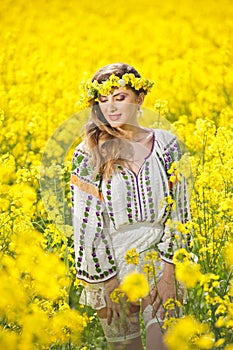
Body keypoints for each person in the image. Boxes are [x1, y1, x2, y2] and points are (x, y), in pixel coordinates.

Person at [70, 63, 190, 350]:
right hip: (111, 263)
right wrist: (108, 283)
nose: (110, 108)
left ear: (140, 98)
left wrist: (170, 272)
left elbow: (180, 212)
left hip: (160, 259)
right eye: (103, 100)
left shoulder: (167, 145)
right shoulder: (87, 153)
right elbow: (86, 225)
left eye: (119, 97)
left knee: (163, 344)